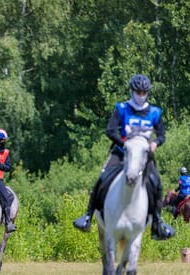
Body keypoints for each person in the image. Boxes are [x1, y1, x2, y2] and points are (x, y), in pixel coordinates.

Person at [73, 74, 175, 240]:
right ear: (132, 91)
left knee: (156, 183)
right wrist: (125, 143)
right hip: (121, 152)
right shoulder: (122, 108)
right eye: (138, 91)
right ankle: (87, 216)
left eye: (144, 92)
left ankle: (157, 222)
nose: (140, 95)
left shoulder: (154, 112)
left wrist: (155, 143)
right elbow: (110, 130)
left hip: (143, 155)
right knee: (103, 177)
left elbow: (162, 134)